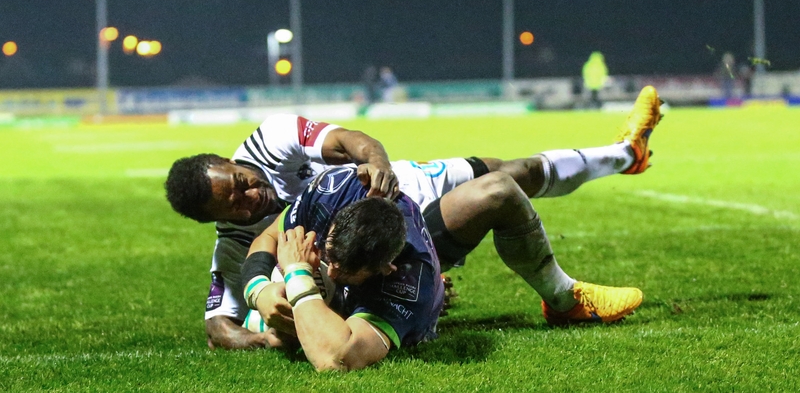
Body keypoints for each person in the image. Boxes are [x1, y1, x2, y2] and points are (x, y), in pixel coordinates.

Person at [164, 86, 663, 350]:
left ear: (229, 161)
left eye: (241, 182)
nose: (249, 197)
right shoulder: (237, 242)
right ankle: (563, 298)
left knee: (518, 172)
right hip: (377, 248)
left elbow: (354, 141)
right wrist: (267, 332)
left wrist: (379, 164)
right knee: (493, 195)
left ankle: (626, 153)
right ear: (214, 219)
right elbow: (218, 329)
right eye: (232, 205)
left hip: (400, 185)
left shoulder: (271, 139)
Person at [242, 162, 642, 371]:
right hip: (387, 236)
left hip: (403, 277)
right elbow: (268, 237)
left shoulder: (407, 281)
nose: (331, 271)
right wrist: (259, 290)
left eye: (344, 273)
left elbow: (339, 359)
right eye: (330, 257)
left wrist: (299, 278)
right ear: (332, 226)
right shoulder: (333, 190)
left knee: (293, 324)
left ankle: (564, 298)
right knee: (496, 187)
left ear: (385, 269)